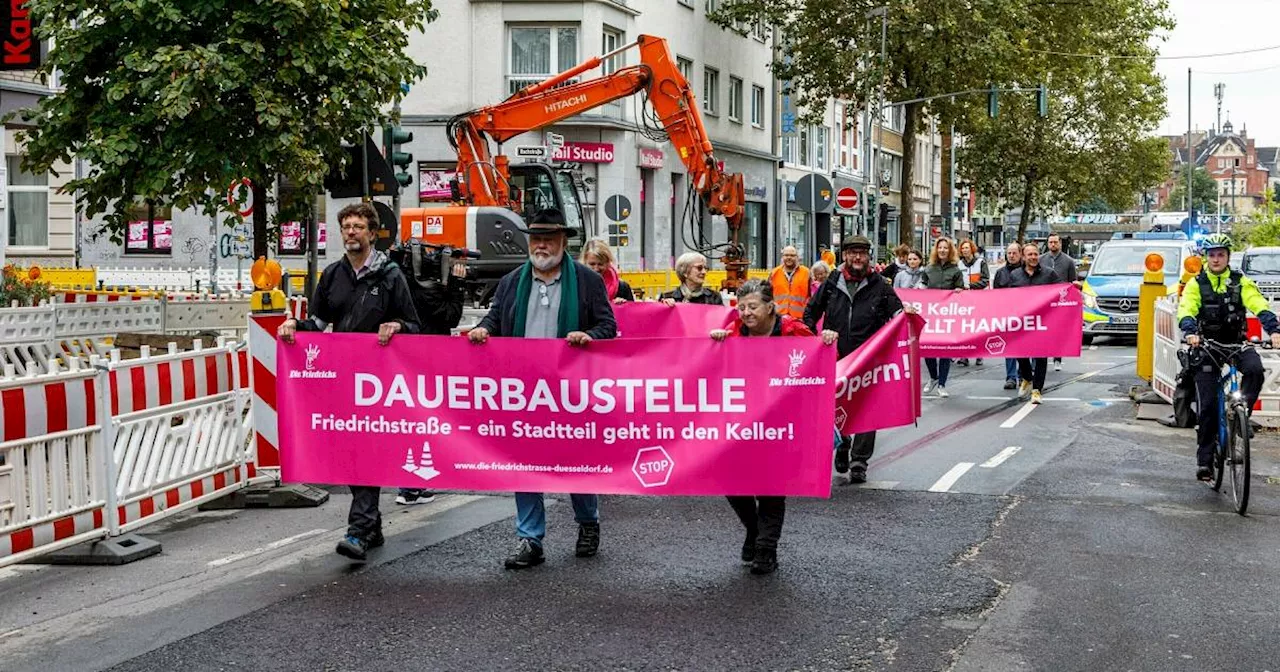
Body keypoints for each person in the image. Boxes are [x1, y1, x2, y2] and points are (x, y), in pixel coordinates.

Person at [468, 208, 618, 570]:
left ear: (562, 242)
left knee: (576, 459)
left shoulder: (585, 280)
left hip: (570, 388)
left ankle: (587, 523)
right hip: (523, 388)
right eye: (536, 239)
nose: (541, 245)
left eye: (548, 239)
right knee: (525, 462)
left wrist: (589, 335)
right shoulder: (511, 281)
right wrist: (485, 330)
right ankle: (529, 538)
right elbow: (495, 316)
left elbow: (607, 326)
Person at [277, 202, 421, 562]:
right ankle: (370, 526)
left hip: (378, 382)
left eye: (358, 227)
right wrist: (296, 327)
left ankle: (357, 530)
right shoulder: (332, 276)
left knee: (366, 450)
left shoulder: (390, 276)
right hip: (342, 378)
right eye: (347, 227)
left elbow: (414, 325)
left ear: (372, 234)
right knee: (349, 451)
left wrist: (398, 326)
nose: (352, 233)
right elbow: (320, 322)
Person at [711, 279, 816, 575]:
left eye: (752, 306)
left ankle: (766, 550)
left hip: (782, 423)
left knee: (771, 489)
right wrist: (716, 343)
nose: (745, 312)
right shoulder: (732, 332)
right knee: (732, 482)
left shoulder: (794, 330)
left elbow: (820, 360)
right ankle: (755, 531)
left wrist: (828, 339)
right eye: (741, 307)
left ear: (770, 307)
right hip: (742, 423)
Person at [804, 235, 912, 484]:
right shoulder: (831, 283)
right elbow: (811, 312)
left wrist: (905, 312)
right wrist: (811, 338)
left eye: (862, 253)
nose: (857, 258)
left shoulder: (880, 285)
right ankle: (842, 443)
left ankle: (859, 461)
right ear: (844, 256)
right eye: (853, 253)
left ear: (868, 257)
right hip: (836, 358)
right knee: (835, 407)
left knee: (867, 410)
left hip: (868, 360)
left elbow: (896, 313)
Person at [1177, 233, 1280, 482]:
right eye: (1211, 255)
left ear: (1228, 257)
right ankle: (1205, 463)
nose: (1216, 259)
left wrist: (1274, 329)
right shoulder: (1196, 283)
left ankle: (1240, 414)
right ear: (1206, 257)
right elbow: (1186, 308)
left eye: (1220, 254)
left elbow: (1257, 302)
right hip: (1207, 346)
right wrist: (1190, 331)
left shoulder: (1240, 281)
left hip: (1236, 343)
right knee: (1209, 408)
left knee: (1255, 370)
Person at [394, 239, 470, 506]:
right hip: (434, 362)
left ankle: (408, 483)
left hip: (404, 360)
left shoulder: (401, 282)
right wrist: (456, 286)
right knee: (427, 420)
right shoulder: (442, 289)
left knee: (407, 420)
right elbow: (450, 317)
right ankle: (418, 481)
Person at [1010, 243, 1061, 404]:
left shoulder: (1049, 274)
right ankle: (1026, 377)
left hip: (1043, 321)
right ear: (1023, 257)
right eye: (1029, 254)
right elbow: (1007, 296)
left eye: (1035, 254)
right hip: (1022, 322)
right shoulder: (1015, 275)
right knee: (1020, 353)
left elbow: (1061, 289)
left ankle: (1037, 390)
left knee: (1041, 356)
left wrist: (1074, 287)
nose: (1033, 257)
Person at [921, 237, 964, 397]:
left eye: (946, 248)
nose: (943, 250)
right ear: (936, 250)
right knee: (928, 349)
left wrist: (959, 291)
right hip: (930, 315)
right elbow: (922, 287)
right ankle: (933, 377)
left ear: (950, 250)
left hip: (948, 316)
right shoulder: (928, 269)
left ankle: (942, 384)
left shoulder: (956, 271)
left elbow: (961, 292)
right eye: (940, 248)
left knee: (945, 350)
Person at [1042, 233, 1078, 372]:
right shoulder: (1041, 259)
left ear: (1060, 244)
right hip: (1044, 300)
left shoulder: (1068, 261)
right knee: (1044, 329)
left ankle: (1057, 358)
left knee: (1058, 330)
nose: (1053, 245)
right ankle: (1042, 356)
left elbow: (1072, 281)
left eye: (1055, 242)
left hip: (1061, 301)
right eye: (1050, 242)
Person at [993, 242, 1024, 390]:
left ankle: (1023, 374)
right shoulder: (1000, 273)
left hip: (1025, 314)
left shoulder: (1026, 271)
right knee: (1010, 346)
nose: (1011, 256)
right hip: (1007, 315)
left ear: (1020, 254)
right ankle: (1011, 377)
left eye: (1014, 253)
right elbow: (996, 294)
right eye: (1009, 253)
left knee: (1024, 346)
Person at [955, 239, 990, 367]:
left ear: (972, 249)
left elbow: (985, 280)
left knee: (978, 327)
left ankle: (979, 353)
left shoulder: (981, 262)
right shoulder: (959, 264)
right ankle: (965, 355)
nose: (965, 250)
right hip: (964, 300)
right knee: (965, 327)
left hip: (979, 299)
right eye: (962, 248)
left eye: (967, 248)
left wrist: (969, 286)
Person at [581, 239, 634, 303]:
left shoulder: (622, 288)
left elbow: (632, 311)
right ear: (584, 262)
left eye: (600, 264)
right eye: (592, 264)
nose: (596, 268)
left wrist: (622, 306)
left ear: (608, 263)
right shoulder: (576, 286)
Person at [660, 252, 724, 305]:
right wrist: (665, 307)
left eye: (705, 268)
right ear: (685, 272)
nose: (704, 272)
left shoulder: (714, 297)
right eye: (699, 268)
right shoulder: (667, 297)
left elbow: (721, 319)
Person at [768, 246, 811, 320]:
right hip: (779, 318)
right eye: (786, 255)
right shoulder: (774, 273)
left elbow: (812, 296)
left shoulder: (806, 273)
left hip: (800, 319)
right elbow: (768, 295)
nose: (789, 257)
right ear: (782, 257)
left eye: (792, 255)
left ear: (797, 257)